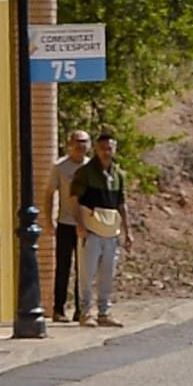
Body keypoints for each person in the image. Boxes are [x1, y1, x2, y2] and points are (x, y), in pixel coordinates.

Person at [70, 130, 130, 327]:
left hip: (111, 232)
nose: (106, 152)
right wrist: (80, 225)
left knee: (107, 274)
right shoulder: (85, 173)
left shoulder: (118, 175)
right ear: (96, 149)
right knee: (87, 274)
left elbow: (122, 204)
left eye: (109, 148)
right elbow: (74, 200)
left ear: (115, 149)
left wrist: (128, 232)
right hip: (91, 231)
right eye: (103, 148)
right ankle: (86, 312)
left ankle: (104, 312)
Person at [46, 129, 91, 323]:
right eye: (77, 141)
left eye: (84, 142)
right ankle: (59, 309)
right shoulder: (60, 167)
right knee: (63, 267)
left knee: (84, 270)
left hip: (88, 225)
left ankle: (81, 310)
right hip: (65, 223)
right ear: (70, 144)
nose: (81, 145)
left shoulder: (92, 167)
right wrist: (48, 219)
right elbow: (49, 193)